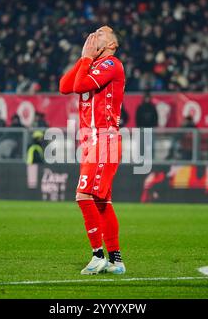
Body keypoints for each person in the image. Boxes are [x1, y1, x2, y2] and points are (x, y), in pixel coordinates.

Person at [59, 26, 126, 275]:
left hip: (104, 139)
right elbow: (65, 86)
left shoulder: (112, 64)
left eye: (103, 32)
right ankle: (116, 261)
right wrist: (83, 57)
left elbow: (79, 86)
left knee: (83, 196)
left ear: (112, 44)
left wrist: (87, 59)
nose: (96, 33)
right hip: (90, 141)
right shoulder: (91, 64)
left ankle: (98, 255)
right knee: (101, 202)